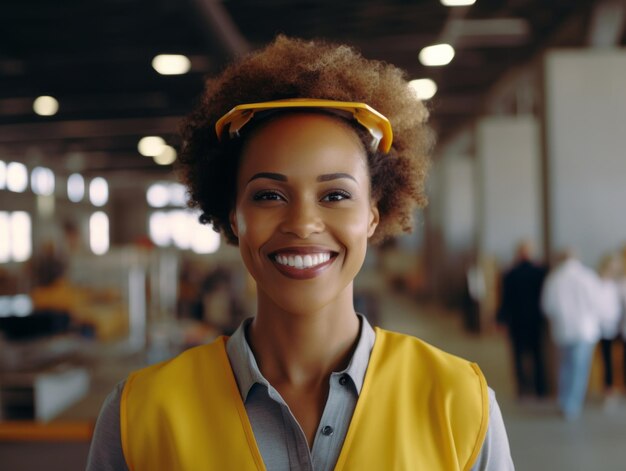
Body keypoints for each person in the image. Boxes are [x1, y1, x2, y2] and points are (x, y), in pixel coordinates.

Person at [87, 36, 513, 470]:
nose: (302, 223)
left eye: (335, 195)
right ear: (234, 215)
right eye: (269, 195)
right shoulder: (138, 416)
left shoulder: (460, 403)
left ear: (372, 213)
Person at [541, 249, 602, 420]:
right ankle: (572, 404)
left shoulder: (554, 278)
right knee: (579, 368)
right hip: (584, 329)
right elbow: (597, 302)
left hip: (563, 329)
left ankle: (564, 401)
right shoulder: (588, 276)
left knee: (565, 366)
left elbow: (547, 306)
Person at [497, 240, 548, 399]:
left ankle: (522, 387)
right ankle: (540, 388)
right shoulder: (540, 272)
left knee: (518, 355)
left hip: (516, 321)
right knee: (538, 355)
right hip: (535, 320)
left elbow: (505, 299)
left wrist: (501, 318)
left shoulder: (511, 273)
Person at [595, 253, 624, 407]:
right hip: (603, 326)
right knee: (607, 359)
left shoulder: (616, 284)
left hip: (618, 325)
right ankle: (608, 388)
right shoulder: (597, 284)